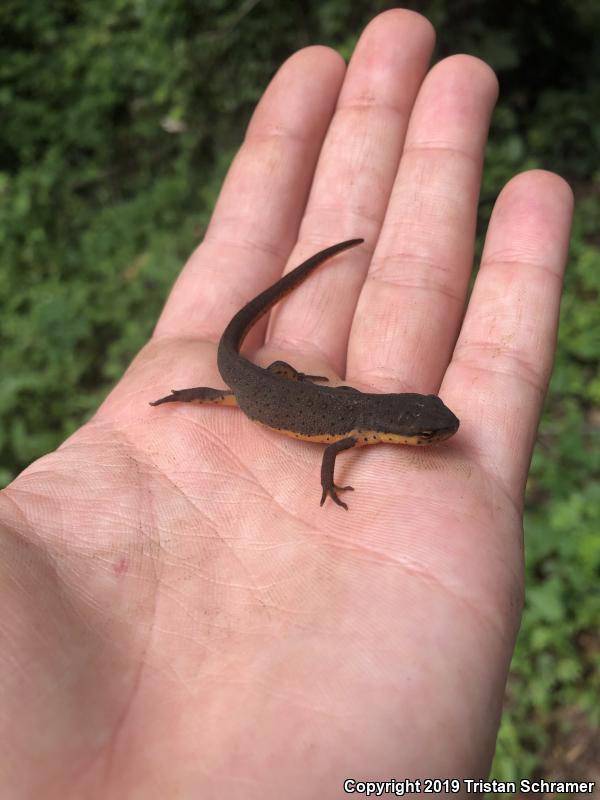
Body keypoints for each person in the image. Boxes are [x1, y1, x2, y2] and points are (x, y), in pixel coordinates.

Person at [0, 9, 573, 797]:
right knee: (230, 389)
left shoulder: (371, 414)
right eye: (429, 432)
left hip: (285, 385)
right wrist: (321, 477)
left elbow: (357, 422)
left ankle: (244, 376)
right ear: (398, 431)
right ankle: (191, 392)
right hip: (253, 385)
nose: (435, 435)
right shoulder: (354, 429)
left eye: (431, 430)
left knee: (268, 380)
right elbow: (334, 444)